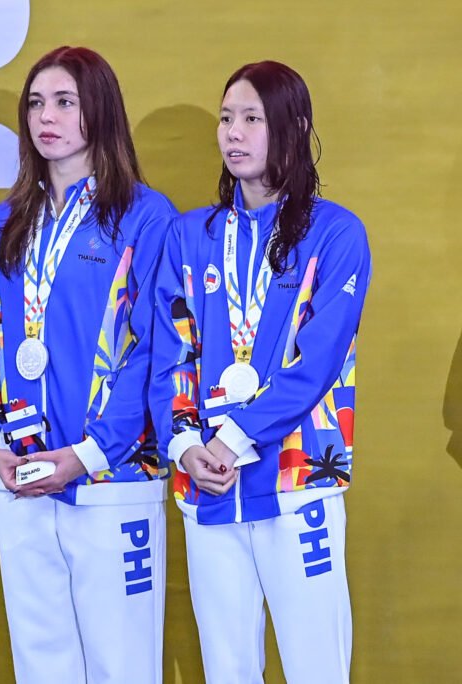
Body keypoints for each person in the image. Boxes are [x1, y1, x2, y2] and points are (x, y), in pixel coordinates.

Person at [150, 60, 371, 684]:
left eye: (253, 118)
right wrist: (188, 444)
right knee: (226, 670)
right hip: (207, 487)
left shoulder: (336, 234)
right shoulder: (190, 235)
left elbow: (318, 363)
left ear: (293, 129)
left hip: (300, 482)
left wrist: (230, 439)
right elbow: (170, 352)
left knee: (316, 668)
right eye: (226, 118)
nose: (234, 133)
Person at [0, 46, 175, 683]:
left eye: (65, 102)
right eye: (34, 102)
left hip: (111, 481)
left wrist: (88, 454)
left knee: (122, 668)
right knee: (42, 668)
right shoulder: (4, 222)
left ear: (100, 112)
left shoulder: (144, 215)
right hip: (21, 475)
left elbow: (152, 349)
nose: (44, 117)